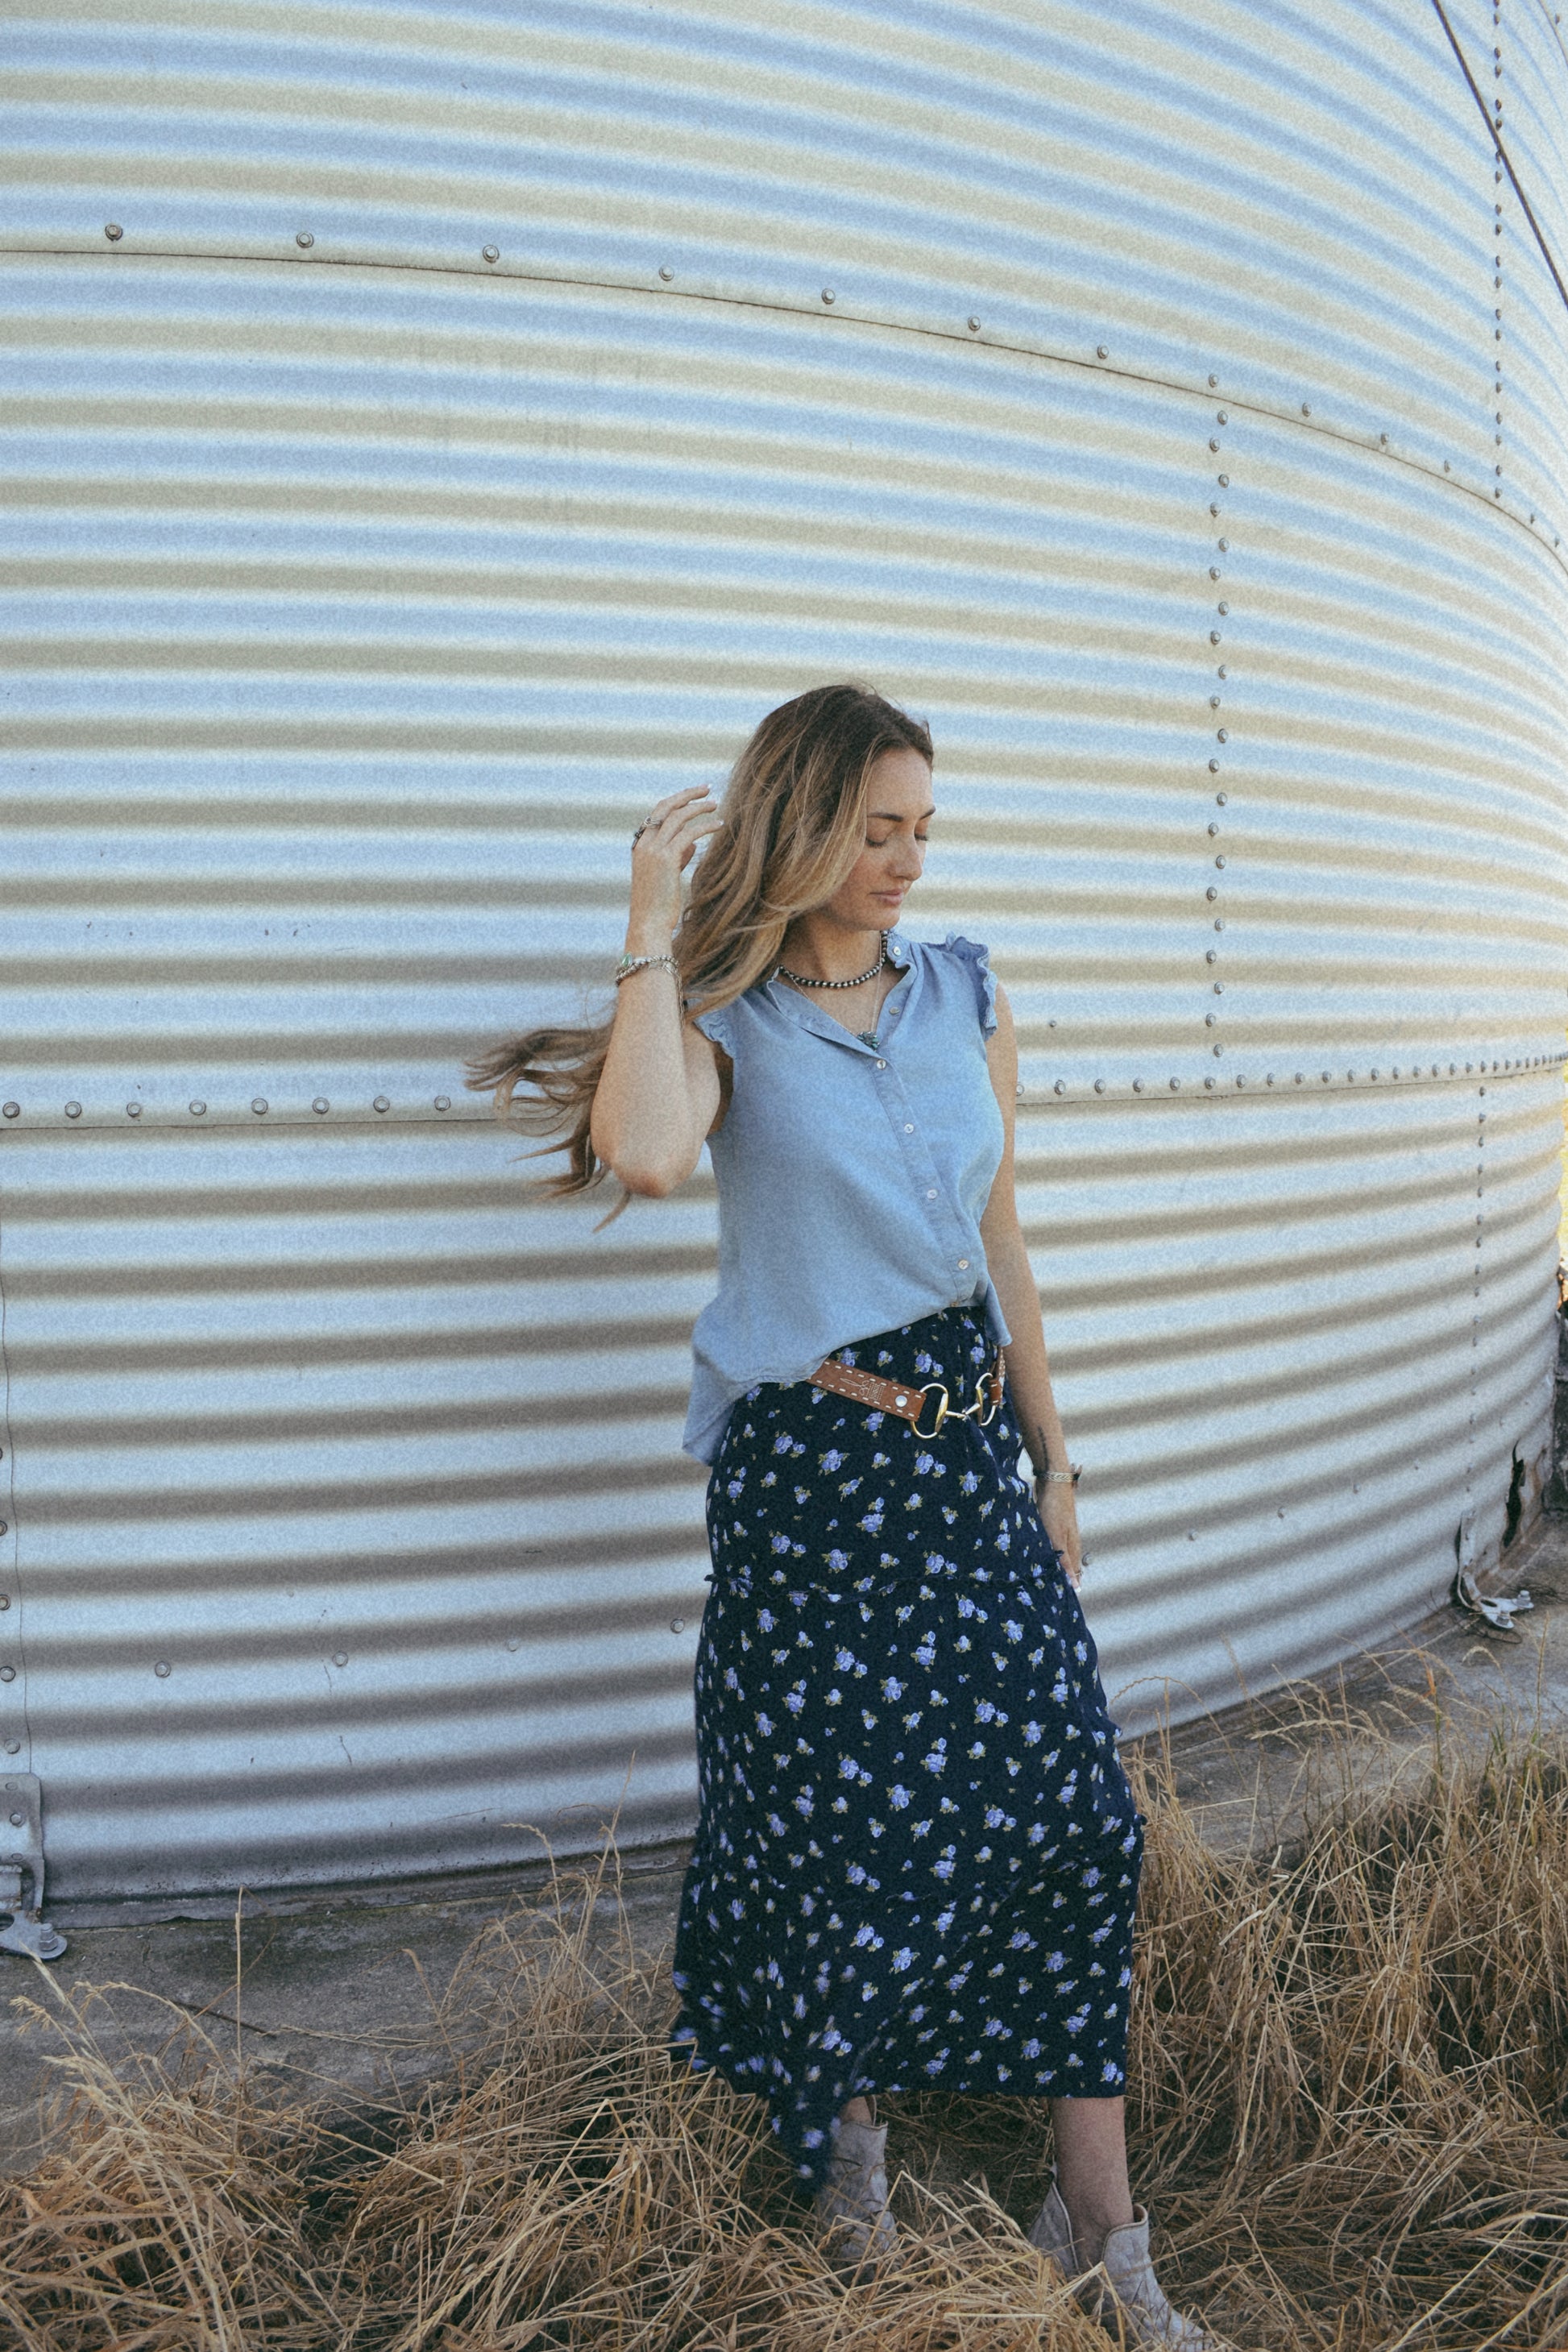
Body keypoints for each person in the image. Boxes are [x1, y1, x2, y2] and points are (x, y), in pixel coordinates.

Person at [472, 684, 1211, 2349]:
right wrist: (650, 921)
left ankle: (1101, 2231)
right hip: (813, 1473)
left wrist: (1055, 1458)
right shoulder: (722, 1011)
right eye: (876, 827)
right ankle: (850, 2173)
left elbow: (1002, 1237)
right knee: (834, 1836)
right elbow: (645, 1155)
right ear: (801, 822)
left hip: (965, 1461)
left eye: (923, 828)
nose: (906, 860)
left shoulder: (966, 988)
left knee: (1079, 1819)